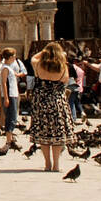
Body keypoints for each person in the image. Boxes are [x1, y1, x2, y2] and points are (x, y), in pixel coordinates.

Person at [28, 42, 74, 172]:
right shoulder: (63, 67)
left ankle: (47, 163)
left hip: (41, 101)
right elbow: (65, 81)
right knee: (57, 133)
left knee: (44, 133)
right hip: (57, 101)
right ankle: (56, 164)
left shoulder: (38, 65)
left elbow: (33, 58)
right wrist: (58, 54)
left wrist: (45, 51)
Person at [0, 48, 22, 144]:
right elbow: (4, 83)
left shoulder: (9, 67)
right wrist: (6, 98)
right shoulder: (5, 68)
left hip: (13, 94)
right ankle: (8, 139)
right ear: (10, 57)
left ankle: (10, 138)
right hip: (10, 95)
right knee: (11, 116)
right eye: (14, 56)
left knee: (13, 116)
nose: (15, 57)